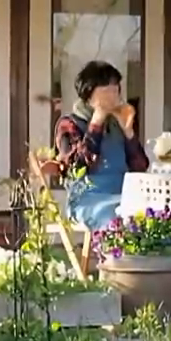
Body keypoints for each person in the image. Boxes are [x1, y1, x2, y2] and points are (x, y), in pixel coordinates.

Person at [53, 60, 147, 231]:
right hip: (88, 200)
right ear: (89, 93)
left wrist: (128, 132)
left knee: (156, 216)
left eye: (116, 89)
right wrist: (97, 121)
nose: (113, 95)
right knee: (117, 219)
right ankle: (112, 250)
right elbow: (77, 167)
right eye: (106, 89)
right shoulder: (68, 124)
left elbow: (140, 168)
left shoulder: (117, 124)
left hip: (123, 196)